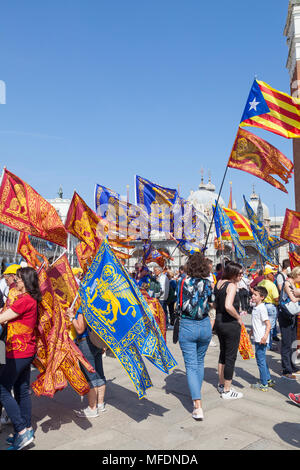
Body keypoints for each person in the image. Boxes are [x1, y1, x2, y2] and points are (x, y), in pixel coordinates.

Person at [0, 267, 41, 450]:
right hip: (25, 350)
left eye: (19, 278)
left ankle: (21, 430)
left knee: (1, 388)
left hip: (18, 352)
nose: (16, 280)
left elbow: (4, 317)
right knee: (22, 389)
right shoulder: (29, 299)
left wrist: (5, 316)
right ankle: (26, 429)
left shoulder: (25, 300)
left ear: (26, 280)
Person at [177, 252, 213, 420]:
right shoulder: (208, 283)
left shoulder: (183, 281)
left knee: (191, 365)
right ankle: (196, 394)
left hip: (188, 324)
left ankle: (197, 405)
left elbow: (179, 303)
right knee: (200, 362)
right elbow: (211, 303)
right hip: (204, 324)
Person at [67, 305, 107, 418]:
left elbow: (80, 328)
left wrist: (71, 317)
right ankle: (100, 404)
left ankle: (92, 408)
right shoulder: (99, 304)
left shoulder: (84, 306)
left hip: (86, 343)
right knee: (99, 374)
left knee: (90, 376)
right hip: (98, 342)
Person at [214, 261, 243, 400]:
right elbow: (228, 306)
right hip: (229, 323)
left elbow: (215, 304)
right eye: (240, 274)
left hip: (219, 322)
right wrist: (238, 317)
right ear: (233, 273)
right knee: (231, 356)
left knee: (223, 354)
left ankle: (221, 384)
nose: (242, 276)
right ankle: (227, 389)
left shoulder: (219, 283)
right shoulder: (231, 285)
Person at [250, 286, 274, 391]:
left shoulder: (262, 309)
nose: (253, 296)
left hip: (261, 339)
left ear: (262, 297)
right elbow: (255, 323)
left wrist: (265, 337)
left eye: (255, 295)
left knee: (260, 361)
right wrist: (250, 333)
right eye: (253, 294)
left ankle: (264, 384)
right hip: (257, 338)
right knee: (262, 360)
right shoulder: (256, 307)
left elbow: (268, 325)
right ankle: (268, 379)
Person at [278, 267, 300, 380]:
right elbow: (293, 299)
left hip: (292, 315)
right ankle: (286, 370)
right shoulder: (287, 283)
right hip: (285, 315)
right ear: (296, 274)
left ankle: (292, 366)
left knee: (293, 341)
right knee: (287, 342)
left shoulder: (294, 285)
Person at [258, 267, 279, 350]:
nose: (273, 275)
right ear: (268, 275)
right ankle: (268, 345)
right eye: (272, 273)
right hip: (270, 306)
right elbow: (276, 298)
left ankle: (263, 342)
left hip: (262, 305)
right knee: (269, 327)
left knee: (263, 326)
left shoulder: (260, 283)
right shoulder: (272, 285)